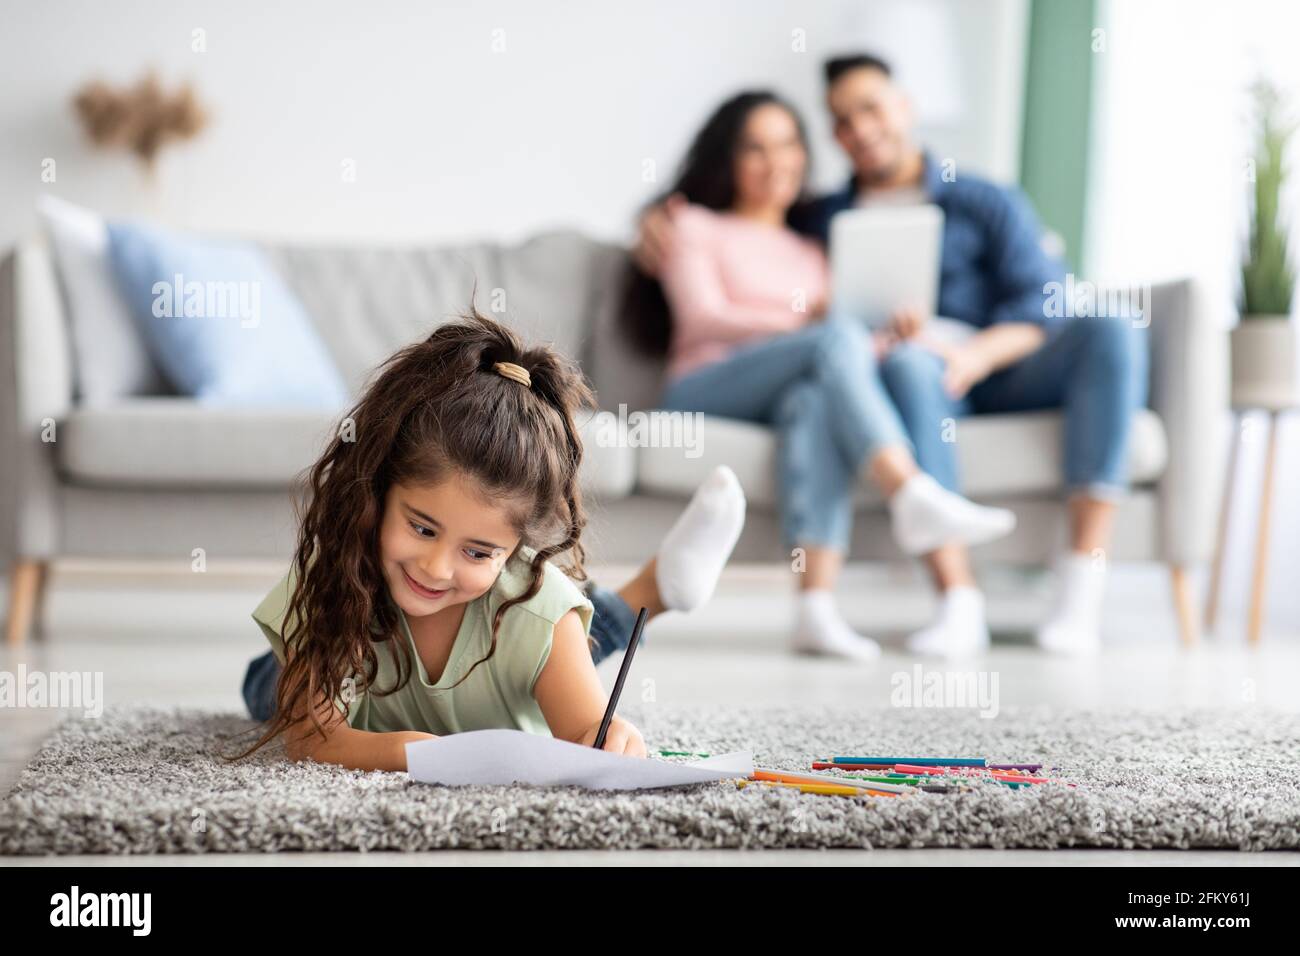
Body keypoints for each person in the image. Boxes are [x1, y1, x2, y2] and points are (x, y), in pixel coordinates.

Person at [634, 55, 1148, 658]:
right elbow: (735, 255)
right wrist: (650, 220)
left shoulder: (979, 198)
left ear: (905, 106)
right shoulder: (824, 217)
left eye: (871, 108)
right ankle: (950, 579)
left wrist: (975, 353)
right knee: (898, 363)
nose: (861, 129)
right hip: (901, 368)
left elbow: (1044, 299)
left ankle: (1077, 592)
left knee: (1111, 324)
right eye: (843, 120)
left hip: (992, 359)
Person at [227, 309, 746, 771]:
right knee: (265, 689)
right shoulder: (337, 568)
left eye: (478, 552)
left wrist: (609, 740)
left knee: (557, 637)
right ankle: (647, 594)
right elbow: (313, 739)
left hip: (520, 634)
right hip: (335, 673)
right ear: (379, 491)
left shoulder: (538, 611)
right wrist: (413, 753)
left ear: (517, 548)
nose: (434, 566)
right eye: (422, 528)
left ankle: (651, 594)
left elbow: (586, 739)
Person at [620, 90, 1016, 663]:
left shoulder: (813, 246)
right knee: (832, 340)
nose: (775, 160)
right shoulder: (692, 224)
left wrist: (895, 334)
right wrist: (807, 319)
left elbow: (846, 342)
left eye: (787, 144)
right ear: (727, 159)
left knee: (812, 401)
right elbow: (704, 315)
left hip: (790, 383)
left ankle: (815, 610)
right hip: (707, 384)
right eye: (755, 148)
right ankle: (908, 491)